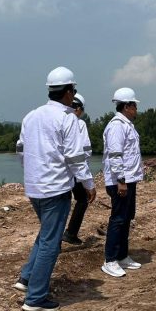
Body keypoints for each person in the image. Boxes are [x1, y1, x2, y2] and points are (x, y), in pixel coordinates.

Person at [15, 67, 97, 311]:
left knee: (46, 235)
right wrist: (89, 184)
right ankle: (35, 298)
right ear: (70, 92)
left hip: (35, 187)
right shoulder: (67, 118)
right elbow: (74, 157)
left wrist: (33, 173)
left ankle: (27, 278)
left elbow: (21, 150)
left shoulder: (31, 116)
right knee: (52, 243)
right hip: (56, 189)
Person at [100, 87, 145, 278]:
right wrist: (120, 180)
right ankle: (110, 260)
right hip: (120, 181)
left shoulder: (127, 125)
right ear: (127, 106)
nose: (136, 109)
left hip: (129, 179)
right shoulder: (117, 126)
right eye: (134, 105)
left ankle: (122, 255)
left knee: (127, 217)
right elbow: (115, 155)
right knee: (118, 218)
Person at [62, 93, 92, 245]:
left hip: (58, 172)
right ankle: (71, 233)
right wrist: (87, 179)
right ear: (78, 108)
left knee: (60, 206)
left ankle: (54, 242)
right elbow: (85, 152)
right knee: (82, 199)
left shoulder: (56, 119)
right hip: (74, 171)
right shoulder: (79, 124)